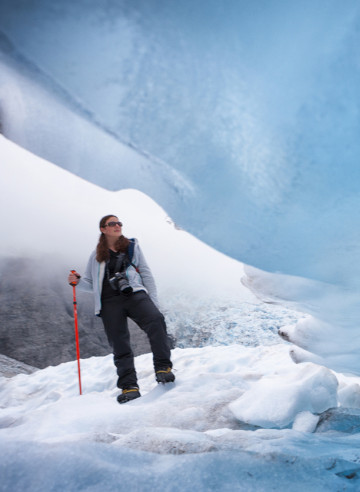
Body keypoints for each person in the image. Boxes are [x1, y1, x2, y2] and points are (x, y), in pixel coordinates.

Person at [68, 214, 175, 404]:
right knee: (120, 343)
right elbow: (90, 284)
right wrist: (76, 282)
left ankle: (163, 368)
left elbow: (146, 274)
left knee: (156, 320)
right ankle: (129, 387)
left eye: (119, 223)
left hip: (134, 293)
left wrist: (153, 301)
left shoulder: (132, 246)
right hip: (108, 301)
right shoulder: (96, 255)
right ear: (103, 229)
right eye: (112, 224)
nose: (118, 226)